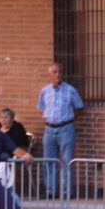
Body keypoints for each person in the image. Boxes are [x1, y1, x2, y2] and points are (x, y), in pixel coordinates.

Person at [38, 62, 84, 198]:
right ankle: (50, 191)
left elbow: (79, 107)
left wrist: (68, 121)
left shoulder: (70, 90)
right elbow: (42, 108)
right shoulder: (45, 91)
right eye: (55, 72)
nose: (57, 74)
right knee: (49, 161)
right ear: (49, 74)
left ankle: (66, 192)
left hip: (66, 129)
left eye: (60, 72)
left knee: (67, 161)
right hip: (49, 129)